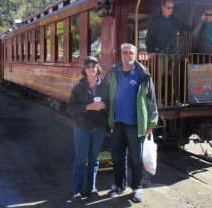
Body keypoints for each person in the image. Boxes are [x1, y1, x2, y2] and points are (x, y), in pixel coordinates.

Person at [104, 43, 158, 202]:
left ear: (135, 55)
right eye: (124, 53)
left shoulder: (143, 75)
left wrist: (151, 124)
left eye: (130, 53)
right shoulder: (113, 73)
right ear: (120, 55)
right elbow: (106, 95)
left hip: (136, 124)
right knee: (118, 157)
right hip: (117, 123)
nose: (127, 56)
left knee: (136, 157)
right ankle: (119, 186)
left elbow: (151, 101)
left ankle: (137, 188)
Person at [67, 56, 108, 202]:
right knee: (80, 159)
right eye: (88, 66)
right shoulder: (78, 87)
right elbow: (70, 108)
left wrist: (105, 106)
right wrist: (88, 107)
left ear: (98, 68)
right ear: (84, 69)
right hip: (82, 128)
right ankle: (76, 190)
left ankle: (92, 188)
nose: (91, 68)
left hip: (99, 127)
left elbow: (110, 103)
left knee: (94, 160)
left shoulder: (105, 85)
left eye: (94, 65)